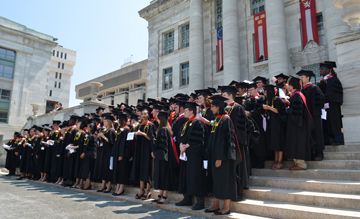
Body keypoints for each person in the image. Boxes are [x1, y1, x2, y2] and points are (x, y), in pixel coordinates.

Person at [205, 95, 238, 215]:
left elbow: (227, 141)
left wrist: (220, 157)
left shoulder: (226, 119)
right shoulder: (217, 119)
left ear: (219, 107)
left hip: (223, 158)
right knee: (216, 181)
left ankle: (226, 207)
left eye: (213, 106)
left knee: (225, 181)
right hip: (214, 156)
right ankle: (215, 204)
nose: (211, 108)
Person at [176, 102, 206, 211]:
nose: (184, 112)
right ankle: (187, 198)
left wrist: (186, 146)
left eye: (186, 111)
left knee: (195, 176)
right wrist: (180, 145)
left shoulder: (197, 123)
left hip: (195, 155)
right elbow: (180, 136)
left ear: (192, 111)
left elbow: (198, 139)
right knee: (185, 176)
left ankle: (200, 201)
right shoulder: (186, 123)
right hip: (185, 155)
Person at [297, 70, 325, 161]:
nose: (300, 79)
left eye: (302, 77)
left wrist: (313, 109)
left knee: (317, 134)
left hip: (315, 116)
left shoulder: (314, 88)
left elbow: (321, 100)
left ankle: (319, 153)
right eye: (300, 77)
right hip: (306, 116)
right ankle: (311, 154)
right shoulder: (301, 90)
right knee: (309, 135)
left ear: (308, 77)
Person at [285, 77, 312, 170]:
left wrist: (287, 110)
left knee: (298, 143)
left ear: (292, 85)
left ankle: (301, 164)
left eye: (288, 84)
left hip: (298, 124)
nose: (287, 86)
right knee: (296, 143)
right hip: (299, 123)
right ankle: (297, 163)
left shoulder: (296, 95)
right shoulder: (297, 94)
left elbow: (297, 111)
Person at [132, 109, 156, 200]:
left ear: (148, 115)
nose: (143, 115)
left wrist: (142, 133)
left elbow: (152, 138)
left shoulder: (151, 125)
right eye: (142, 113)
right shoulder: (139, 125)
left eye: (145, 113)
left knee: (147, 170)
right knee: (141, 169)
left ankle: (148, 190)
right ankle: (141, 190)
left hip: (147, 150)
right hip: (139, 150)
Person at [319, 61, 344, 145]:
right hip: (325, 107)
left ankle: (338, 140)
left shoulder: (333, 80)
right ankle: (329, 140)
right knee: (327, 124)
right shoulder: (323, 81)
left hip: (333, 106)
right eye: (320, 69)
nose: (320, 70)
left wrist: (326, 100)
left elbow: (333, 94)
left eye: (322, 69)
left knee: (334, 123)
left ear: (329, 70)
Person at [262, 85, 286, 169]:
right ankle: (276, 160)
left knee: (279, 143)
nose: (264, 93)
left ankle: (280, 161)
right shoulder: (268, 100)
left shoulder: (277, 99)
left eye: (265, 91)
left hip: (278, 125)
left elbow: (278, 111)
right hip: (272, 124)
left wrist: (268, 108)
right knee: (275, 143)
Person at [152, 109, 173, 204]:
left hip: (163, 157)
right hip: (162, 156)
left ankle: (164, 195)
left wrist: (155, 153)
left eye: (158, 118)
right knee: (161, 175)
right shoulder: (164, 128)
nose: (156, 120)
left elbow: (163, 145)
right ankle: (160, 194)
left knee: (164, 175)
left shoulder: (163, 129)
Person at [112, 112, 131, 196]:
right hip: (117, 153)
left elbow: (124, 143)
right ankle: (118, 186)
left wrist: (121, 154)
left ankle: (121, 188)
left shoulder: (126, 129)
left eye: (120, 120)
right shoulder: (120, 129)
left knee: (122, 171)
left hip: (123, 154)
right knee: (118, 170)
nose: (118, 121)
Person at [97, 114, 116, 193]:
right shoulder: (105, 130)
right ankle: (103, 185)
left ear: (108, 122)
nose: (104, 122)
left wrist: (103, 137)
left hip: (109, 152)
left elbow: (111, 142)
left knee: (108, 169)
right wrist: (99, 137)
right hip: (104, 151)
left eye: (105, 121)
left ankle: (108, 187)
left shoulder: (112, 130)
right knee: (103, 168)